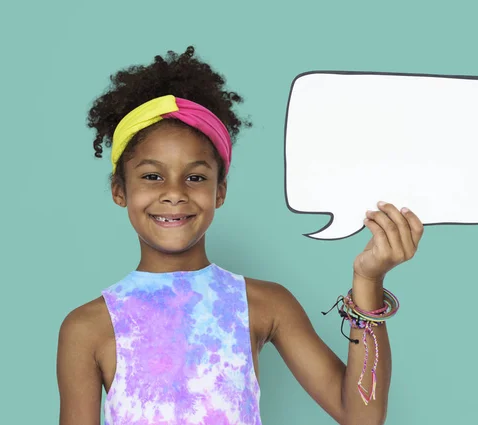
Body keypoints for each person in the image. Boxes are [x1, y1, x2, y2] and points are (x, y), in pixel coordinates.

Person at [56, 46, 424, 425]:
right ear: (120, 191)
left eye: (195, 177)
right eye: (152, 176)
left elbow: (362, 416)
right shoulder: (87, 328)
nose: (175, 192)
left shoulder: (266, 304)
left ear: (220, 191)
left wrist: (369, 280)